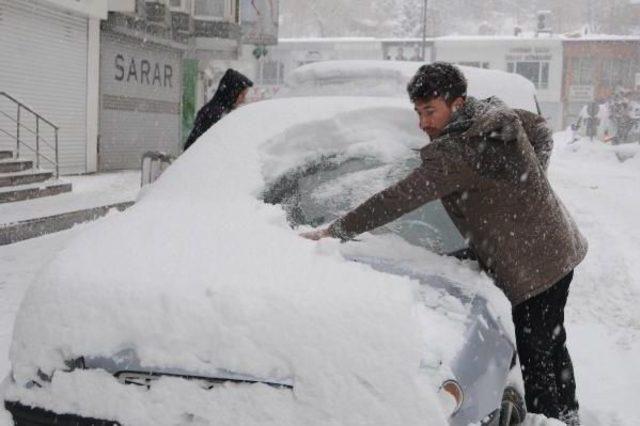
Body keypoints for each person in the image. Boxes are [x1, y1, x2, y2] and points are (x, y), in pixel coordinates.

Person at [301, 62, 587, 425]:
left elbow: (399, 198)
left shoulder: (460, 151)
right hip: (557, 245)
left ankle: (551, 419)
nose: (423, 122)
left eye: (430, 111)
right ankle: (567, 414)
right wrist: (528, 189)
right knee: (552, 341)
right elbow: (541, 131)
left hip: (533, 266)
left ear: (457, 103)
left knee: (537, 354)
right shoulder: (494, 115)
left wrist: (337, 229)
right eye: (418, 112)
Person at [183, 69, 253, 151]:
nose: (243, 99)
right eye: (242, 94)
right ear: (232, 92)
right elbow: (207, 148)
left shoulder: (220, 111)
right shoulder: (214, 114)